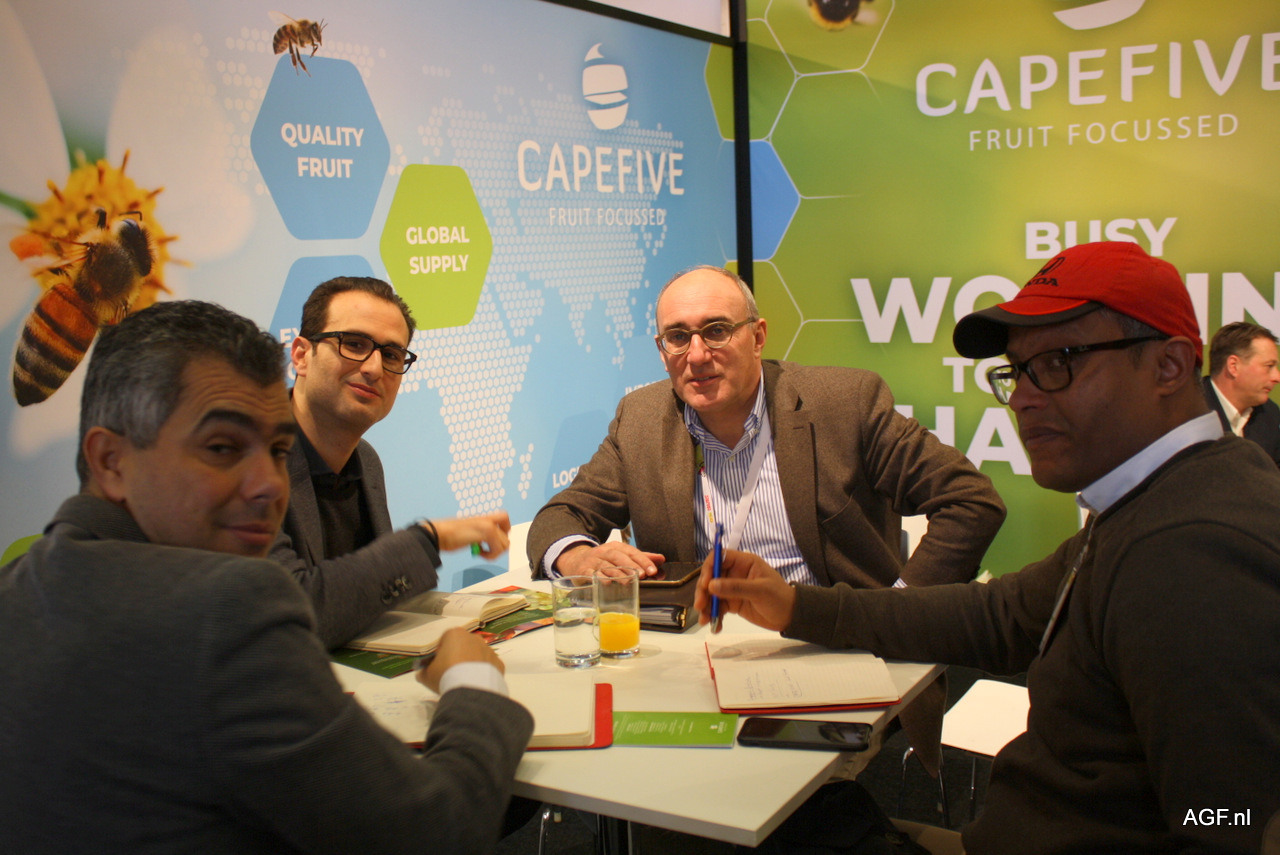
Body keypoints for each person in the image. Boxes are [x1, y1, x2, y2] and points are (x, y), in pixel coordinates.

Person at [697, 242, 1280, 854]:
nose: (1024, 397)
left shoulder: (1195, 550)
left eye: (1058, 362)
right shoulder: (1159, 499)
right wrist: (796, 606)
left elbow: (1231, 824)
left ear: (1168, 365)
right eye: (1019, 371)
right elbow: (1000, 616)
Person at [0, 301, 533, 854]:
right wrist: (473, 680)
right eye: (222, 448)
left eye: (279, 450)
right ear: (111, 461)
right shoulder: (226, 610)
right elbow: (438, 832)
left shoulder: (18, 586)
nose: (269, 485)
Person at [528, 264, 1005, 589]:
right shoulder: (641, 420)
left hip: (833, 648)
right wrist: (577, 557)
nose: (697, 355)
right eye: (678, 337)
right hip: (695, 653)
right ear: (662, 350)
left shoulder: (844, 404)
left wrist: (901, 612)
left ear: (757, 337)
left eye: (716, 331)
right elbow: (559, 517)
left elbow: (970, 501)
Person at [271, 276, 511, 648]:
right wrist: (430, 538)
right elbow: (292, 617)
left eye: (391, 355)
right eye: (354, 344)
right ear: (301, 355)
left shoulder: (366, 461)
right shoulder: (248, 462)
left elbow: (362, 599)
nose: (374, 368)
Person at [1203, 321, 1280, 465]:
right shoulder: (1190, 412)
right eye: (1269, 366)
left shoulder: (1269, 413)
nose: (1277, 377)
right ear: (1233, 366)